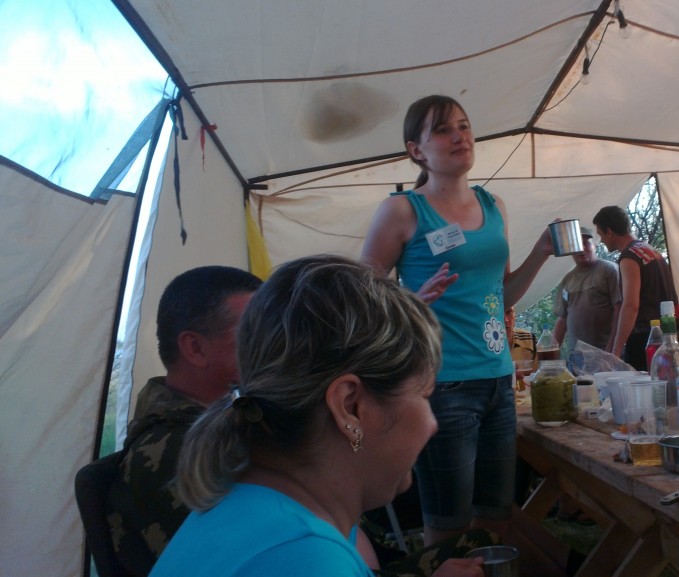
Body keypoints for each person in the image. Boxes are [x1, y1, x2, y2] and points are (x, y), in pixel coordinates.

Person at [150, 255, 485, 577]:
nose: (432, 425)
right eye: (423, 395)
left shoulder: (254, 504)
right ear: (350, 406)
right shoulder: (302, 557)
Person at [361, 95, 556, 554]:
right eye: (444, 130)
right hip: (441, 384)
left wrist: (542, 252)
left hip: (498, 380)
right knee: (448, 523)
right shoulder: (402, 211)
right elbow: (361, 297)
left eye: (465, 126)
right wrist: (411, 303)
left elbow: (503, 295)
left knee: (496, 516)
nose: (460, 136)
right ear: (416, 150)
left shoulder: (494, 205)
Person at [106, 265, 262, 576]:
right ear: (195, 348)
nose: (272, 345)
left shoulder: (223, 417)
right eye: (253, 333)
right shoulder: (176, 452)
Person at [591, 205, 678, 371]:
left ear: (609, 232)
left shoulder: (629, 257)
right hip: (667, 334)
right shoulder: (649, 250)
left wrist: (616, 350)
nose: (601, 240)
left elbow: (631, 306)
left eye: (601, 235)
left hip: (646, 339)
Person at [552, 226, 619, 354]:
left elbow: (620, 311)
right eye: (576, 245)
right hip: (576, 356)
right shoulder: (567, 280)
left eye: (586, 244)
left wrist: (612, 351)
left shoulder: (609, 271)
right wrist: (551, 352)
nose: (581, 249)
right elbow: (562, 319)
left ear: (595, 246)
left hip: (604, 353)